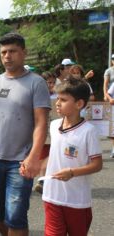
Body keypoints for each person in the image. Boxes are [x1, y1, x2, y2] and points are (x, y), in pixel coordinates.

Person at [0, 33, 50, 236]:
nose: (7, 56)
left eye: (12, 51)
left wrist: (33, 157)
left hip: (20, 161)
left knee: (16, 215)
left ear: (24, 53)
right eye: (3, 52)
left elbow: (41, 123)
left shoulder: (36, 83)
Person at [42, 77, 103, 236]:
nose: (57, 102)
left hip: (77, 200)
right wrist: (33, 164)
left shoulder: (88, 131)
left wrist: (72, 172)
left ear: (79, 104)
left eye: (63, 99)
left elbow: (97, 164)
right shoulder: (54, 125)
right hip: (51, 196)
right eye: (57, 98)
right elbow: (55, 154)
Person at [34, 71, 58, 194]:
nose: (51, 85)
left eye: (53, 82)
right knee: (43, 155)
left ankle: (47, 180)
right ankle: (42, 180)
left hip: (55, 130)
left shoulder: (58, 96)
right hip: (42, 131)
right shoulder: (37, 95)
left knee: (53, 155)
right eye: (49, 82)